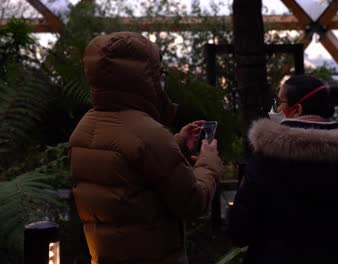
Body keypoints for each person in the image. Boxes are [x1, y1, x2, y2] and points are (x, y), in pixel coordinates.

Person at [69, 32, 224, 264]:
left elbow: (131, 177)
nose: (162, 81)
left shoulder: (84, 128)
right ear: (143, 78)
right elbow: (192, 202)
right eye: (159, 73)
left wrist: (177, 143)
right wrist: (208, 162)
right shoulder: (150, 134)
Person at [227, 75, 338, 264]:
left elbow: (240, 229)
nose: (274, 109)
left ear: (297, 109)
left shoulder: (267, 155)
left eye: (279, 102)